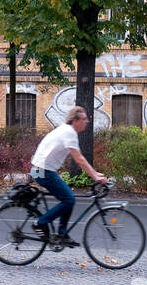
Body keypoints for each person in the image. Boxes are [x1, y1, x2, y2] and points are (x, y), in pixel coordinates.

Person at [29, 106, 107, 247]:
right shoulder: (69, 133)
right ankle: (40, 223)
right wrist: (95, 176)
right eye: (84, 119)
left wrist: (95, 174)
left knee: (68, 197)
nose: (87, 121)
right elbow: (79, 159)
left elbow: (79, 158)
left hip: (39, 169)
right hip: (42, 170)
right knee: (69, 199)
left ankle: (62, 234)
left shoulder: (66, 130)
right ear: (75, 120)